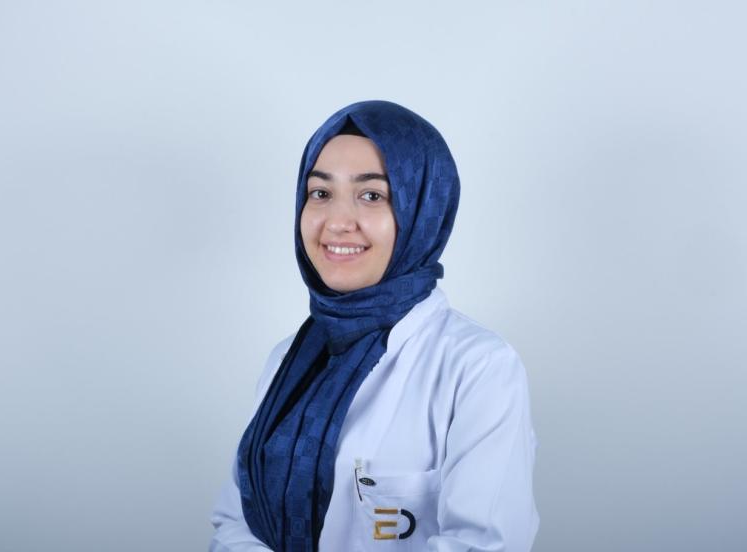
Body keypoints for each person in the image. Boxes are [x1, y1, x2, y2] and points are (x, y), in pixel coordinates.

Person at [209, 100, 539, 551]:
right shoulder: (288, 360)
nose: (337, 223)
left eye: (372, 195)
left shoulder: (479, 368)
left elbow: (483, 545)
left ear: (423, 210)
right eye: (320, 193)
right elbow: (236, 522)